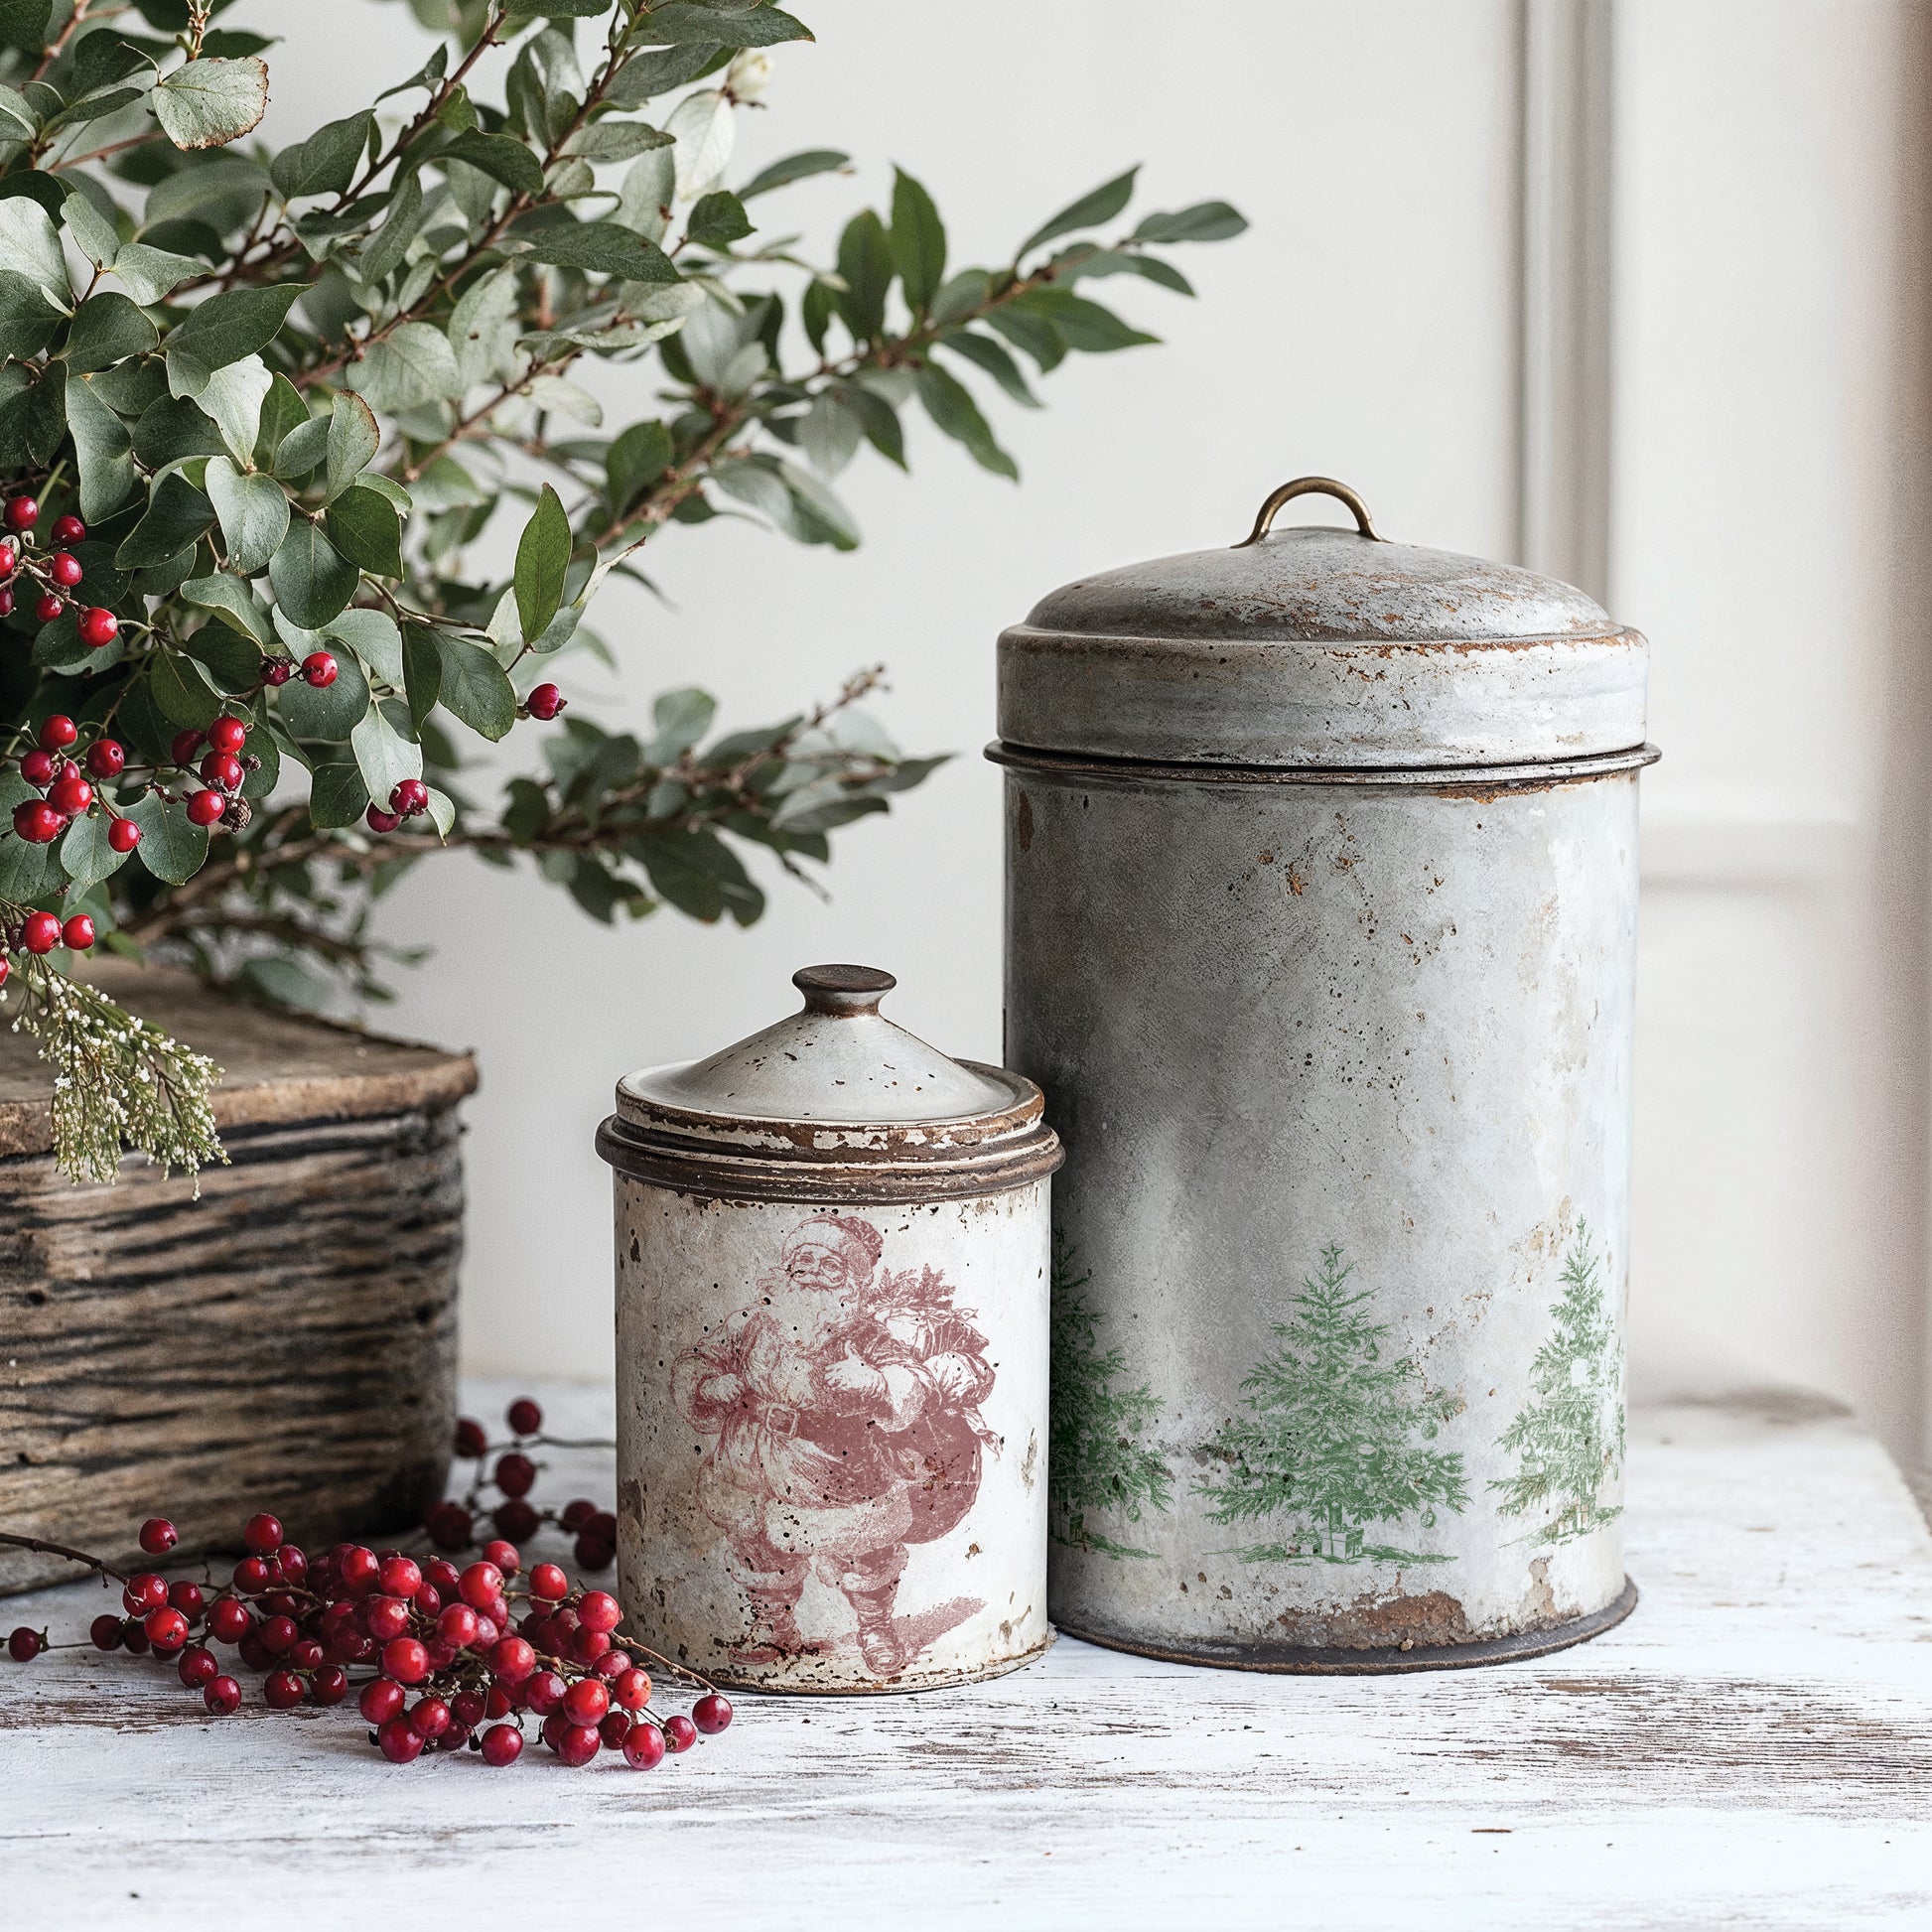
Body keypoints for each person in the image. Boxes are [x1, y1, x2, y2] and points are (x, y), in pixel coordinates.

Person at [672, 1212, 996, 1674]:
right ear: (787, 1273)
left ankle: (875, 1625)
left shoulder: (862, 1335)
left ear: (852, 1284)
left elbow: (910, 1378)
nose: (814, 1276)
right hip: (751, 1455)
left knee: (862, 1546)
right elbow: (698, 1360)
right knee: (757, 1541)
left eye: (831, 1268)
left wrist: (876, 1384)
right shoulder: (753, 1324)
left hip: (836, 1464)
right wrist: (707, 1386)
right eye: (804, 1263)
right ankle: (772, 1625)